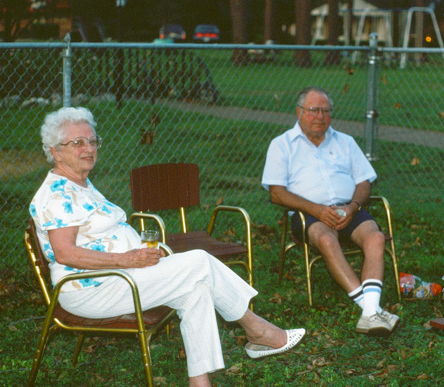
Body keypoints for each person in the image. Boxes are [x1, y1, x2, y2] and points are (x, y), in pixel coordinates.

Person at [29, 107, 304, 387]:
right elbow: (66, 253)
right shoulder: (57, 193)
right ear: (55, 150)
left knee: (197, 290)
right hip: (90, 289)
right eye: (78, 143)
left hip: (116, 278)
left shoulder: (80, 184)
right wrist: (127, 259)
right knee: (199, 262)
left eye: (92, 141)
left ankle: (200, 382)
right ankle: (256, 329)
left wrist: (139, 254)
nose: (88, 148)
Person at [261, 86, 399, 336]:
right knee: (326, 239)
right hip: (309, 214)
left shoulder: (345, 142)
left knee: (376, 237)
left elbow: (364, 182)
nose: (320, 116)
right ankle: (371, 311)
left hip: (349, 209)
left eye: (325, 111)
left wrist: (353, 207)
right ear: (299, 112)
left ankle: (369, 313)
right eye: (313, 110)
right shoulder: (282, 145)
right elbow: (276, 193)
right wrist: (317, 209)